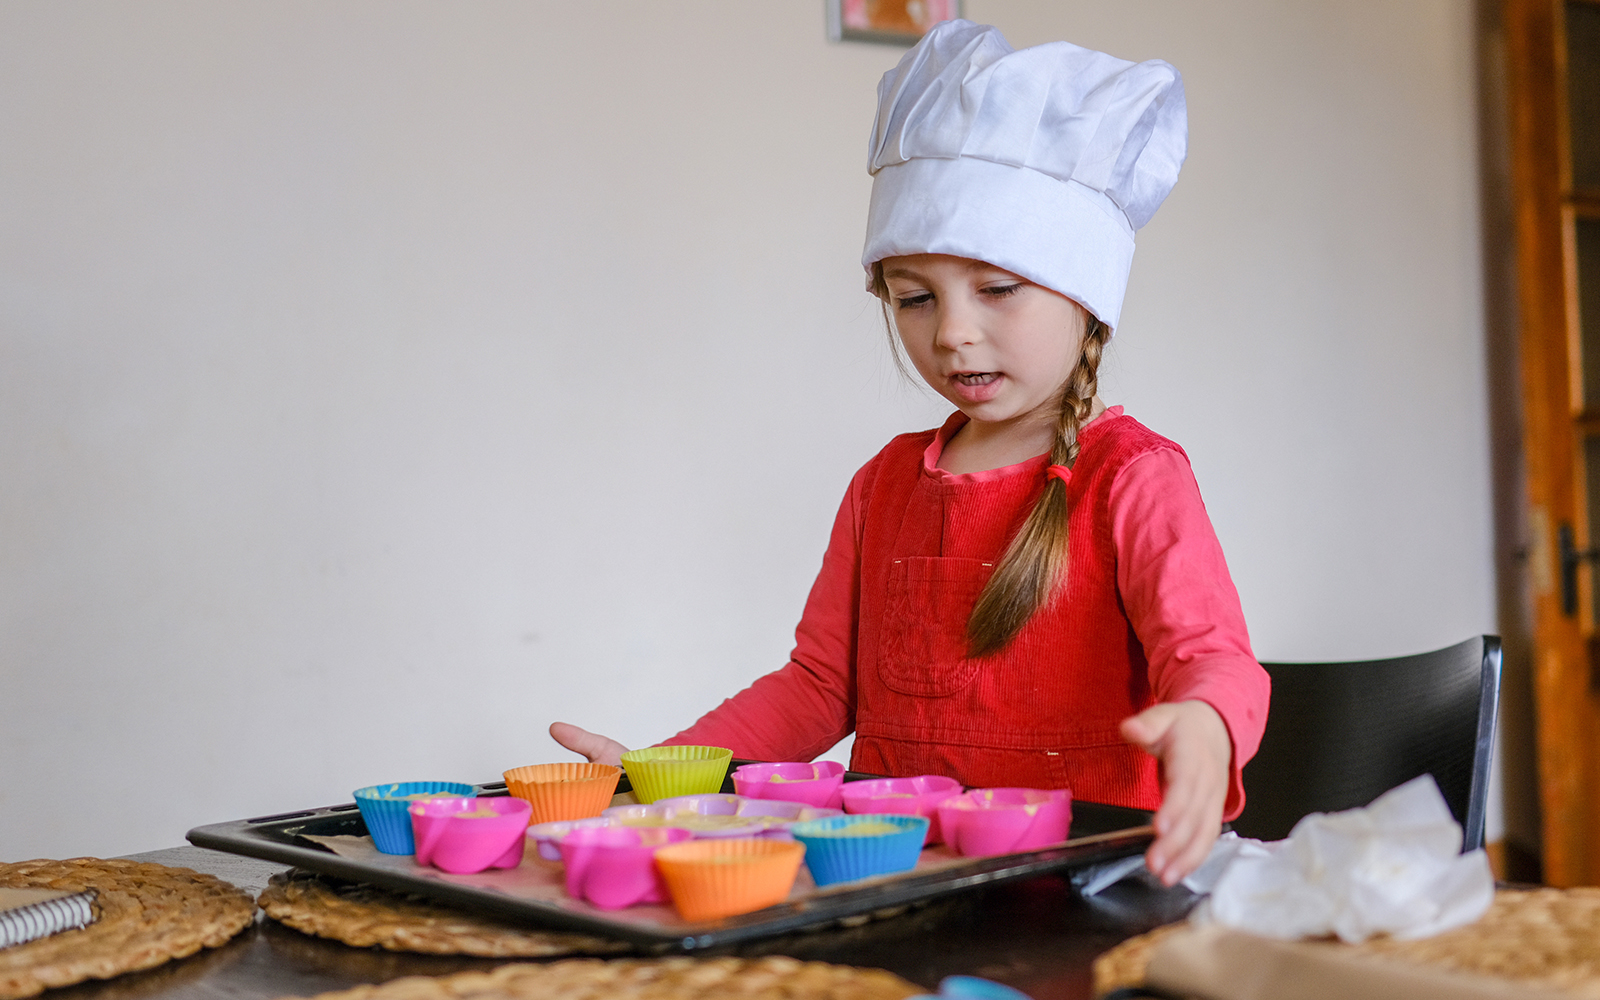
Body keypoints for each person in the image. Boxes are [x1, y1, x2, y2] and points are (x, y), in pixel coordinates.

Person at [551, 20, 1270, 886]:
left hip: (1083, 883)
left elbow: (1213, 658)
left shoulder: (1131, 477)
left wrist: (1204, 720)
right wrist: (659, 776)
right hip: (901, 882)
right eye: (914, 299)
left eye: (997, 289)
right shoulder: (884, 484)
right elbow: (819, 686)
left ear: (1087, 299)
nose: (954, 334)